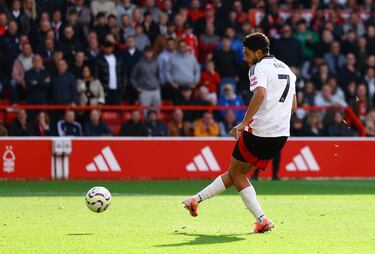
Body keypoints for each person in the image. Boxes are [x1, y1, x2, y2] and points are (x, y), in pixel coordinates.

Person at [182, 33, 297, 234]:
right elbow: (293, 106)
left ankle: (262, 220)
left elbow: (260, 93)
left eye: (247, 53)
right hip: (281, 135)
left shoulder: (258, 68)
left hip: (260, 132)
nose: (245, 57)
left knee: (237, 173)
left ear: (258, 53)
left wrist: (244, 123)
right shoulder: (287, 69)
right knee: (237, 173)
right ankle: (195, 200)